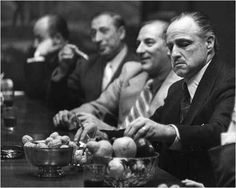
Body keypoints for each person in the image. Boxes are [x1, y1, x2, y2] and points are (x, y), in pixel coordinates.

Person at [124, 11, 235, 186]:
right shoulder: (176, 89)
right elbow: (149, 127)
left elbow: (220, 132)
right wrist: (102, 134)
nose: (174, 54)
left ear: (209, 43)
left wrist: (169, 131)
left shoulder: (230, 80)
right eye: (170, 47)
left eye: (184, 44)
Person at [53, 20, 181, 141]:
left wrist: (103, 127)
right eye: (138, 44)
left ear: (169, 47)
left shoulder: (181, 84)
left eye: (148, 42)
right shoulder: (131, 71)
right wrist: (71, 116)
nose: (139, 50)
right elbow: (99, 106)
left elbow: (152, 137)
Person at [48, 11, 138, 110]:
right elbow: (62, 104)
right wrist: (63, 70)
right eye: (93, 33)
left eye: (104, 31)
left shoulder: (139, 66)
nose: (97, 39)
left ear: (121, 33)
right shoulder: (85, 65)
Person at [24, 14, 85, 102]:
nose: (35, 44)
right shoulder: (40, 57)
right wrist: (38, 56)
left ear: (58, 38)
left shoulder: (74, 60)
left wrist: (38, 56)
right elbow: (29, 92)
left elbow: (38, 96)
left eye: (39, 38)